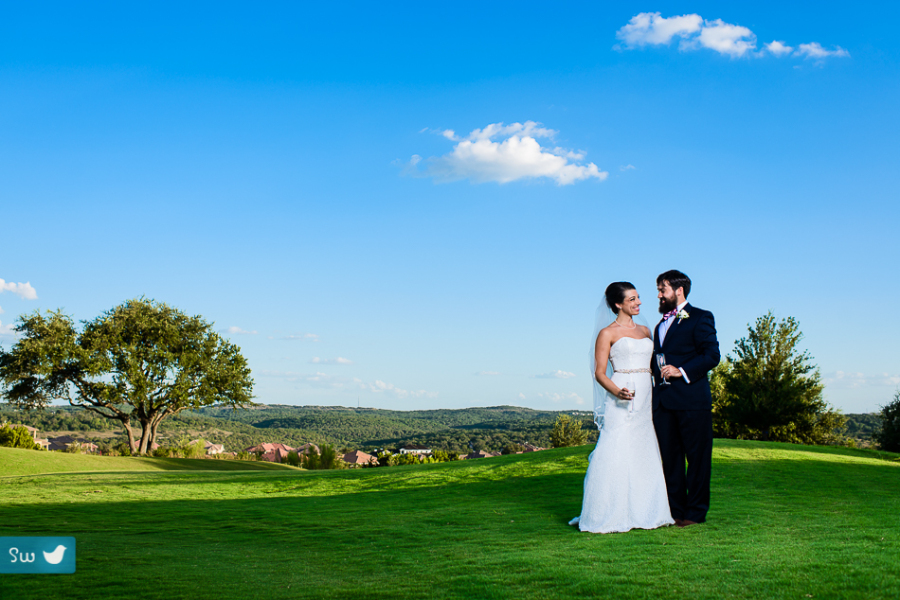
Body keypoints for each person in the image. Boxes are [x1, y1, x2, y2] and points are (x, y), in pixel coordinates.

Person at [569, 282, 674, 533]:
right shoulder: (607, 333)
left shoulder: (647, 331)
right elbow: (599, 372)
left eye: (638, 298)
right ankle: (604, 513)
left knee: (643, 448)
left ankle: (646, 511)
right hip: (621, 392)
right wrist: (617, 391)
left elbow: (655, 362)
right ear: (618, 304)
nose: (638, 303)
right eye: (632, 300)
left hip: (645, 392)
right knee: (615, 447)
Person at [651, 270, 720, 528]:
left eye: (662, 289)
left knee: (698, 459)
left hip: (692, 402)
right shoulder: (659, 326)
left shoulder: (701, 317)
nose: (659, 295)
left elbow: (712, 355)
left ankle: (695, 514)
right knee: (671, 461)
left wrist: (682, 371)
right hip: (663, 404)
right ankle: (675, 512)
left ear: (678, 290)